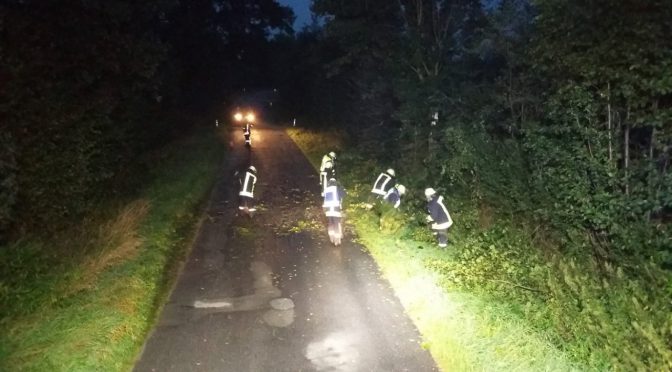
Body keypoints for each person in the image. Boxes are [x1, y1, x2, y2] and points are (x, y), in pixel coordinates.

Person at [323, 177, 346, 245]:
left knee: (330, 223)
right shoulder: (337, 188)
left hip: (328, 210)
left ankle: (331, 238)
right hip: (335, 209)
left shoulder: (326, 189)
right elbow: (344, 194)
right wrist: (341, 186)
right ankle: (337, 240)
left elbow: (324, 197)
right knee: (336, 223)